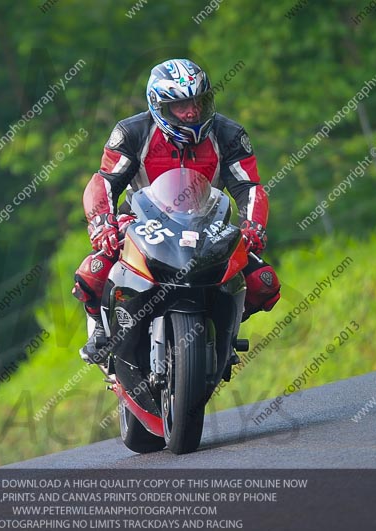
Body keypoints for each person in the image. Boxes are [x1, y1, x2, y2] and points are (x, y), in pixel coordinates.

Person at [72, 58, 280, 363]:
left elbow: (249, 187)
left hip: (208, 225)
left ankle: (222, 330)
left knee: (264, 282)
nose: (192, 111)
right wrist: (103, 224)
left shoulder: (229, 134)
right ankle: (102, 331)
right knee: (92, 274)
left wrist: (253, 227)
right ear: (160, 106)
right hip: (142, 224)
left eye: (199, 101)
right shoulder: (132, 132)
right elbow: (104, 182)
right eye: (181, 105)